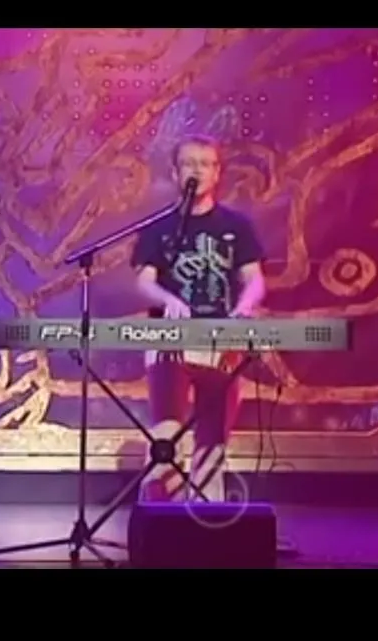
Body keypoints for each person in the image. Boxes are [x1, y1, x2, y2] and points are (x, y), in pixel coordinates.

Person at [130, 133, 267, 504]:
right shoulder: (159, 227)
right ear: (176, 172)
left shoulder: (237, 226)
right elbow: (144, 282)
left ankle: (206, 517)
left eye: (205, 164)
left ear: (217, 173)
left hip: (221, 339)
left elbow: (254, 280)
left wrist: (244, 308)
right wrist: (167, 299)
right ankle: (160, 517)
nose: (197, 170)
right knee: (167, 434)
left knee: (212, 440)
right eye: (189, 163)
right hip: (169, 339)